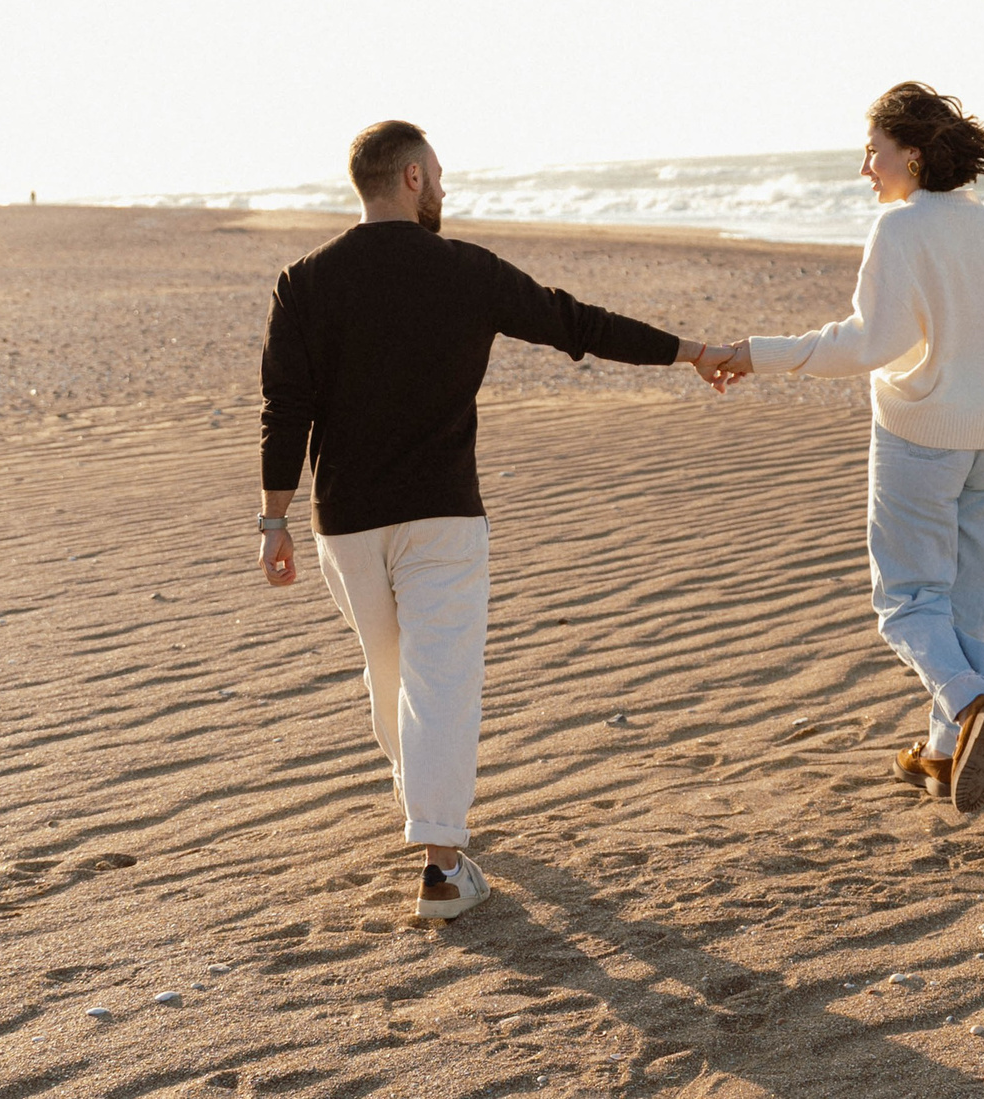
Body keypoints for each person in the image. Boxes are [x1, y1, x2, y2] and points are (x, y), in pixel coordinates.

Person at [257, 120, 732, 919]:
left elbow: (285, 407)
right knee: (439, 679)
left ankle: (427, 807)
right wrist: (690, 350)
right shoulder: (464, 271)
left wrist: (272, 520)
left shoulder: (304, 279)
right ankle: (441, 862)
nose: (444, 188)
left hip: (346, 521)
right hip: (442, 514)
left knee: (393, 670)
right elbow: (574, 323)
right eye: (436, 174)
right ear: (409, 178)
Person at [714, 83, 984, 814]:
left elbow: (869, 342)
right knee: (973, 605)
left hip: (922, 432)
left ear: (911, 153)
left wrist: (760, 352)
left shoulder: (903, 229)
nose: (865, 167)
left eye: (873, 151)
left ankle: (970, 701)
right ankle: (943, 755)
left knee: (907, 598)